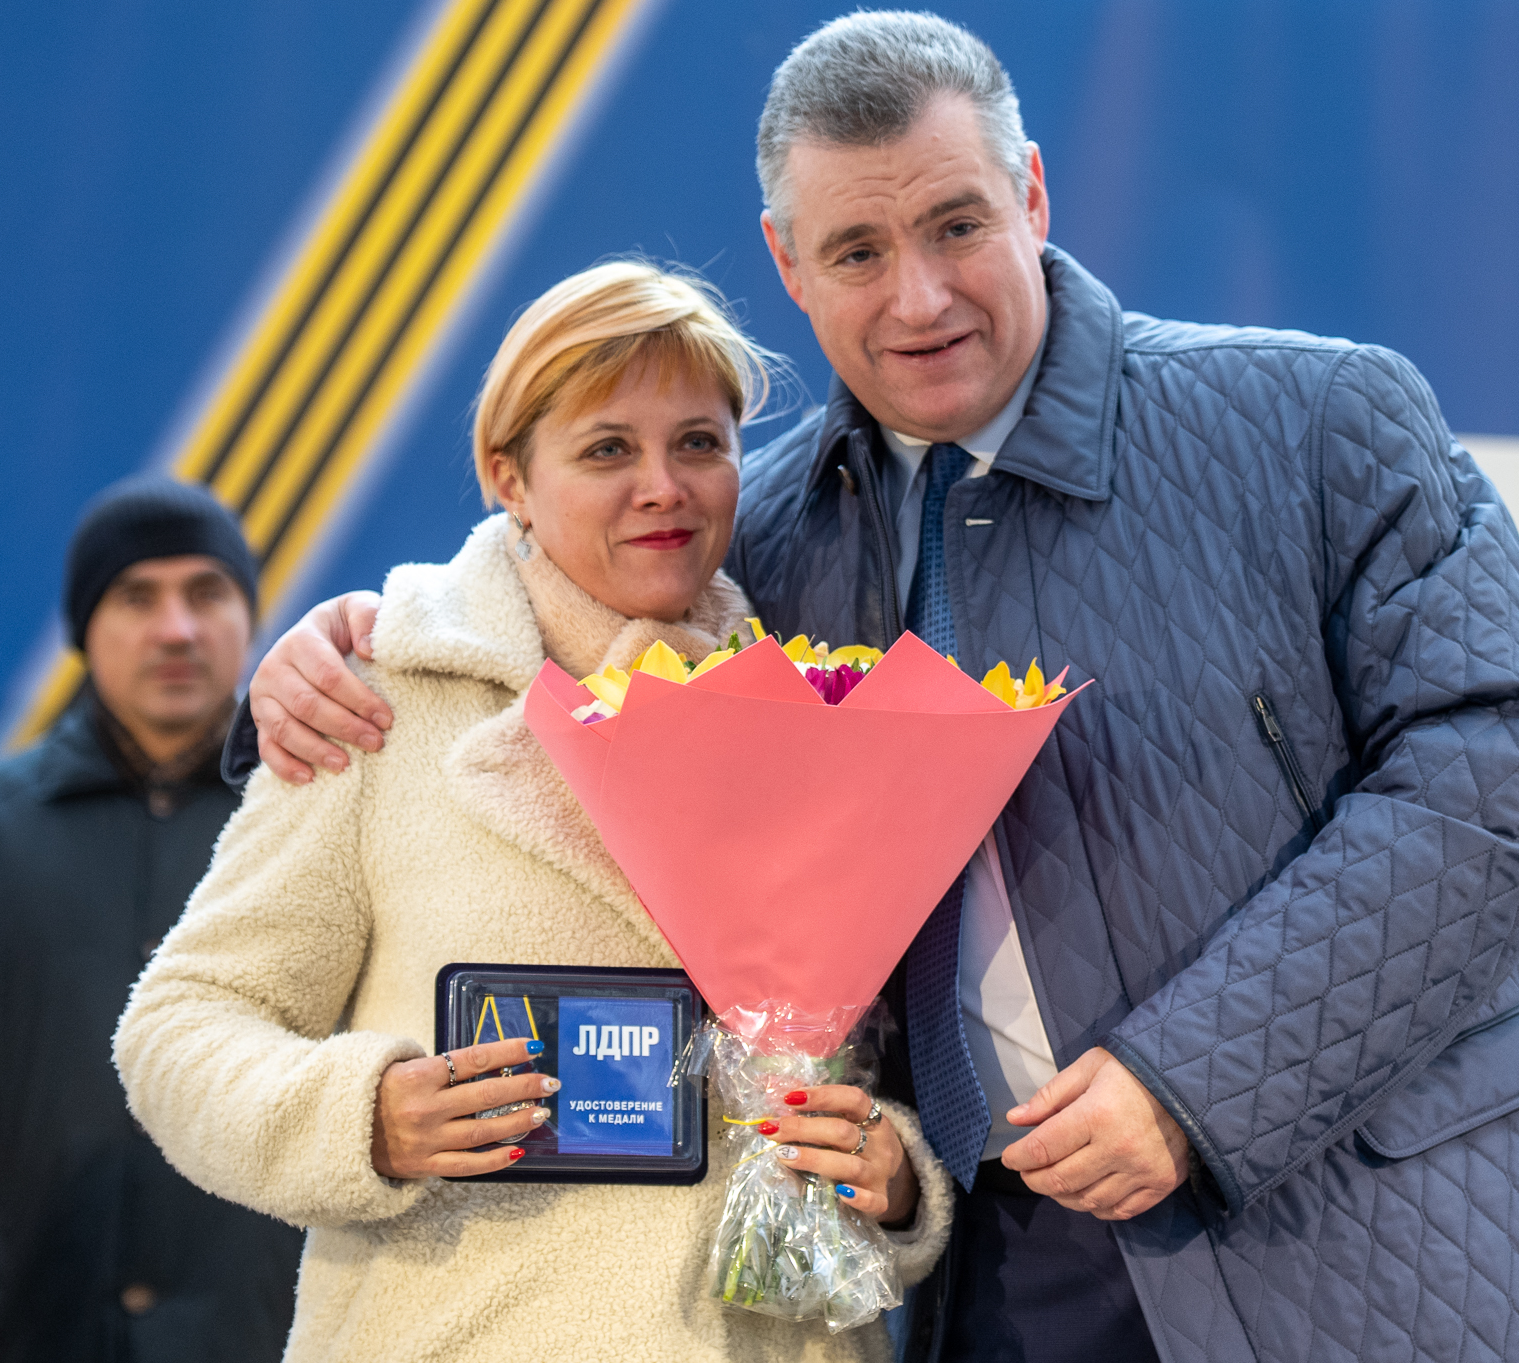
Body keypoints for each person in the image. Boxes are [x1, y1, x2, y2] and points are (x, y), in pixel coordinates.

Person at [233, 13, 1519, 1362]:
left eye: (956, 225)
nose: (918, 297)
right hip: (999, 1284)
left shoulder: (1315, 420)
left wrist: (1192, 1084)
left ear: (1033, 195)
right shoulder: (756, 539)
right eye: (856, 251)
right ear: (787, 263)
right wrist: (358, 634)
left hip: (1374, 1249)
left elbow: (1502, 774)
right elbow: (547, 586)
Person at [112, 262, 952, 1363]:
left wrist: (891, 1177)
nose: (663, 486)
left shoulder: (814, 707)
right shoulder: (378, 696)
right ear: (508, 475)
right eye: (607, 449)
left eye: (699, 442)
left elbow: (860, 1063)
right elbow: (178, 1025)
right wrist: (365, 1116)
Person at [0, 477, 302, 1360]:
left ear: (250, 617)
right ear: (85, 628)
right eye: (136, 596)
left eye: (207, 592)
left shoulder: (314, 819)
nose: (176, 629)